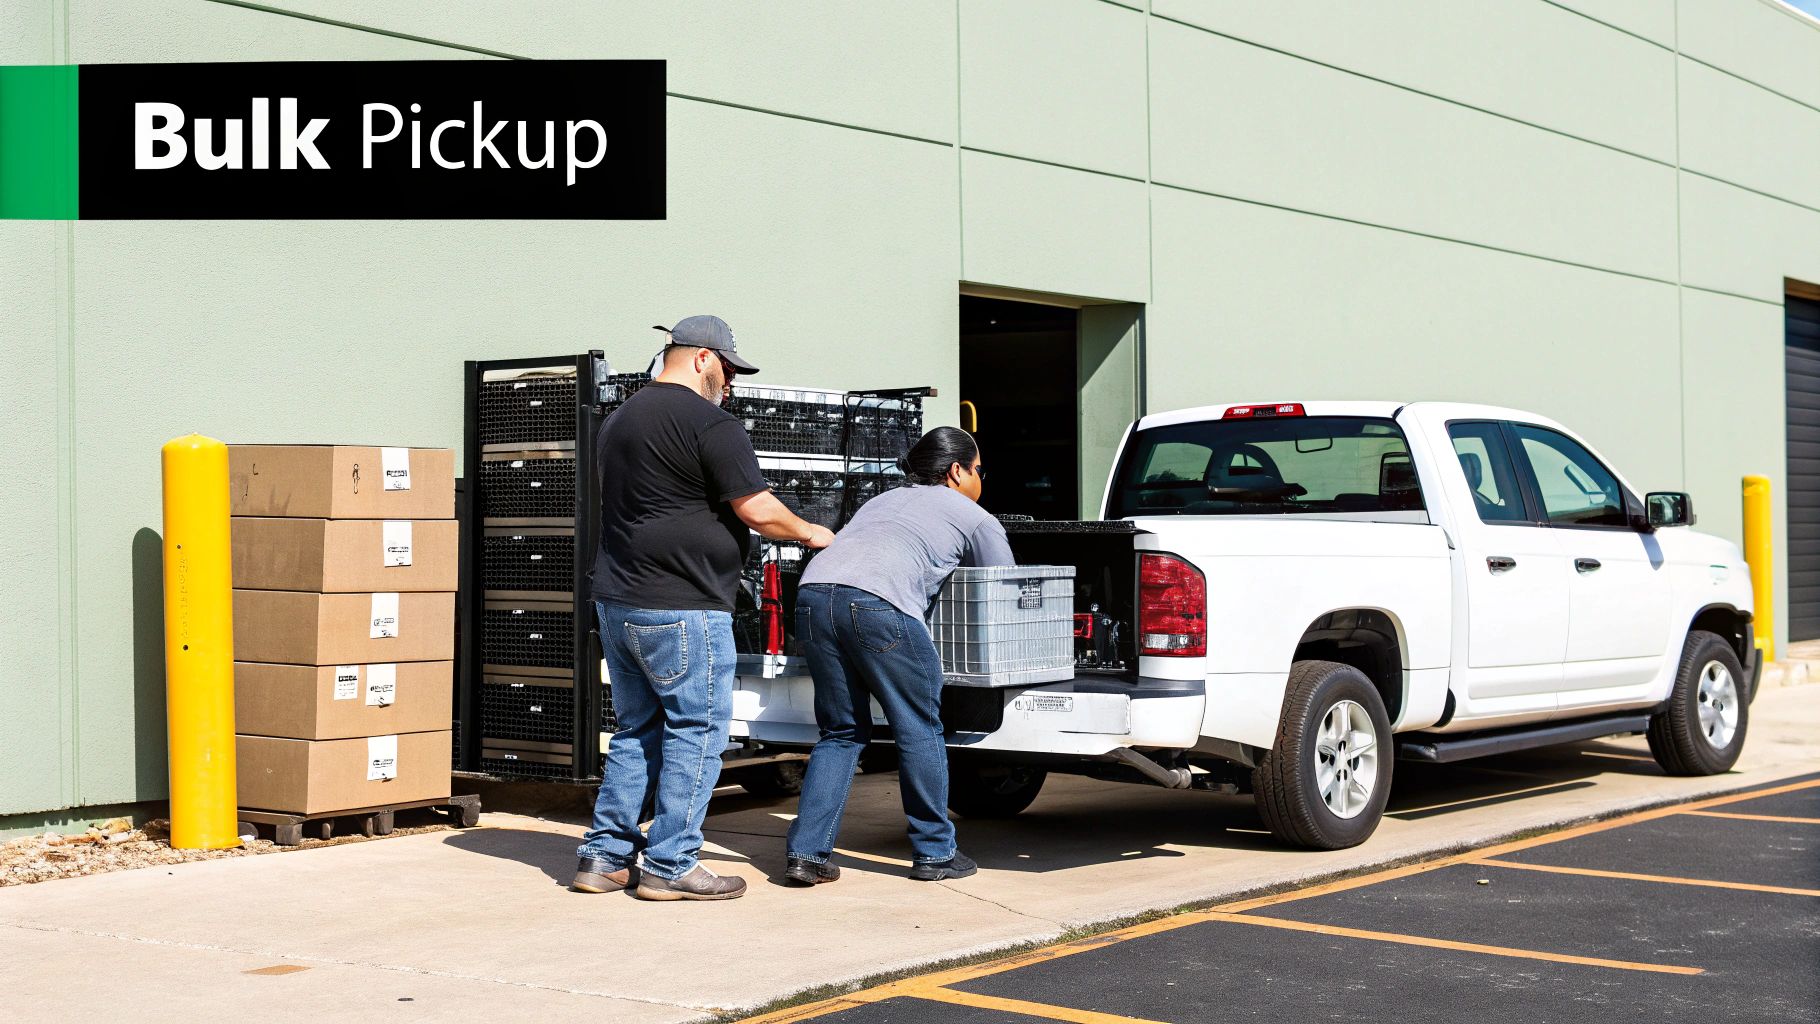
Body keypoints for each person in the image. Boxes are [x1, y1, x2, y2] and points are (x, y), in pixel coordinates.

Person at [572, 315, 834, 902]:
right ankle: (670, 863)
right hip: (683, 606)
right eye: (729, 368)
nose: (733, 382)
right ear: (700, 358)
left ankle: (605, 857)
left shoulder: (618, 420)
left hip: (619, 600)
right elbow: (758, 509)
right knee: (698, 730)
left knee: (637, 729)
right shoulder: (711, 424)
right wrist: (813, 533)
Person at [783, 426, 1014, 885]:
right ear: (956, 471)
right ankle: (935, 853)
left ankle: (806, 854)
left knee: (842, 732)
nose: (980, 479)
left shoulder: (880, 502)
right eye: (979, 469)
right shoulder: (973, 514)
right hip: (878, 606)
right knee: (918, 728)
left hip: (813, 597)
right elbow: (1003, 583)